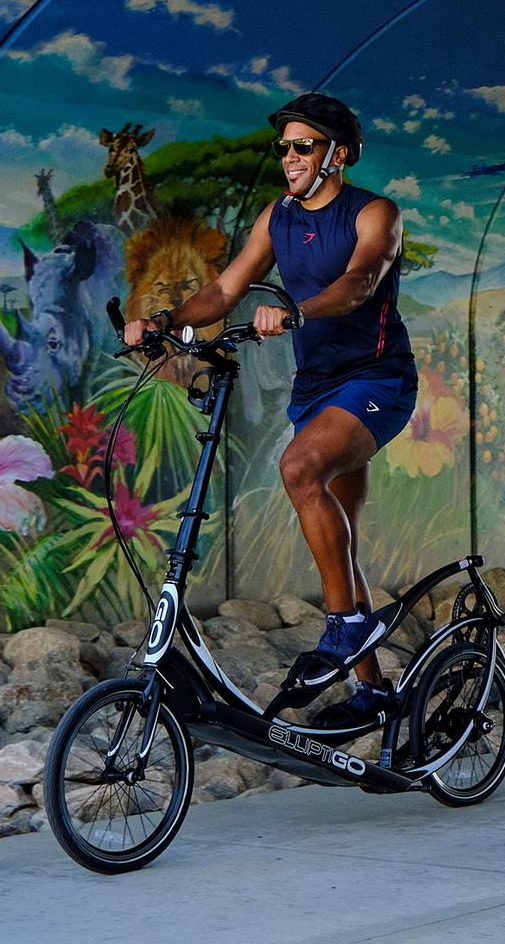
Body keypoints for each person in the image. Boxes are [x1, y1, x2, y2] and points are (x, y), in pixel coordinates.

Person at [125, 92, 415, 730]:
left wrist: (297, 312)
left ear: (336, 154)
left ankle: (342, 628)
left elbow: (360, 282)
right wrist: (165, 321)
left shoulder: (375, 213)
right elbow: (226, 291)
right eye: (283, 146)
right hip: (316, 386)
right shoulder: (278, 216)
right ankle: (371, 693)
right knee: (343, 541)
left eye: (302, 145)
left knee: (298, 468)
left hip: (377, 379)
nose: (288, 157)